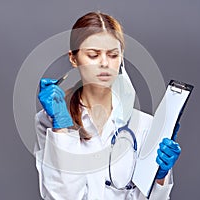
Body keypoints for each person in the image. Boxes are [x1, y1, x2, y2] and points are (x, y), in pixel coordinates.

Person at [34, 11, 181, 200]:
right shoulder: (47, 122)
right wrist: (62, 127)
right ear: (73, 58)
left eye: (113, 55)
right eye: (93, 55)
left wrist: (158, 178)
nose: (104, 63)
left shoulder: (144, 125)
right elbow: (62, 196)